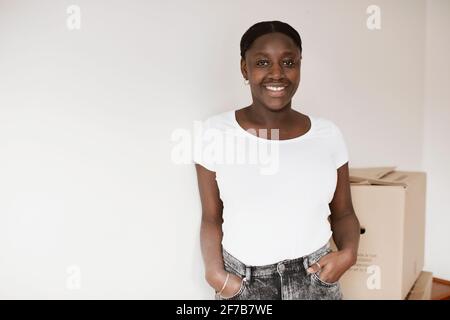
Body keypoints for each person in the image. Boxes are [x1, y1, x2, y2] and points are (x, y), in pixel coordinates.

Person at [193, 20, 360, 300]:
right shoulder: (214, 132)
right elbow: (211, 217)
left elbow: (343, 213)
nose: (276, 73)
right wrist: (215, 275)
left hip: (316, 280)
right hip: (243, 285)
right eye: (261, 62)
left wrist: (349, 254)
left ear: (299, 66)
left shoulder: (328, 134)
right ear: (244, 68)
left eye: (287, 62)